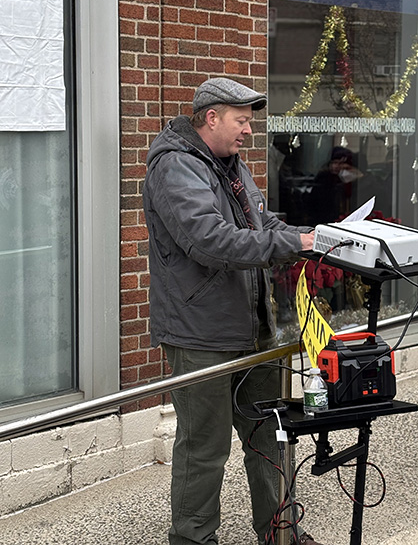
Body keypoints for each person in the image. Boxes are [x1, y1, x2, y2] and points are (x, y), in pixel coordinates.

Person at [143, 77, 323, 545]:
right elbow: (209, 241)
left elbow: (260, 224)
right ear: (211, 117)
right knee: (204, 448)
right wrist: (292, 243)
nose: (248, 130)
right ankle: (193, 539)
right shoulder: (175, 166)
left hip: (253, 329)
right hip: (199, 332)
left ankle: (281, 532)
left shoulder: (231, 166)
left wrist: (317, 237)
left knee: (270, 437)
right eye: (241, 121)